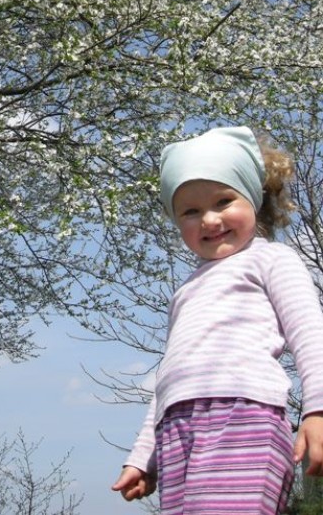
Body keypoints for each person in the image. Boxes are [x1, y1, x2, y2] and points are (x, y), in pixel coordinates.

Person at [111, 126, 323, 514]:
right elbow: (167, 380)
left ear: (255, 200)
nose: (209, 219)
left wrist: (317, 409)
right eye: (190, 211)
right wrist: (144, 456)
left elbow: (311, 334)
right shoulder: (186, 291)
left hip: (243, 417)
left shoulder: (271, 259)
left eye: (223, 201)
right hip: (176, 429)